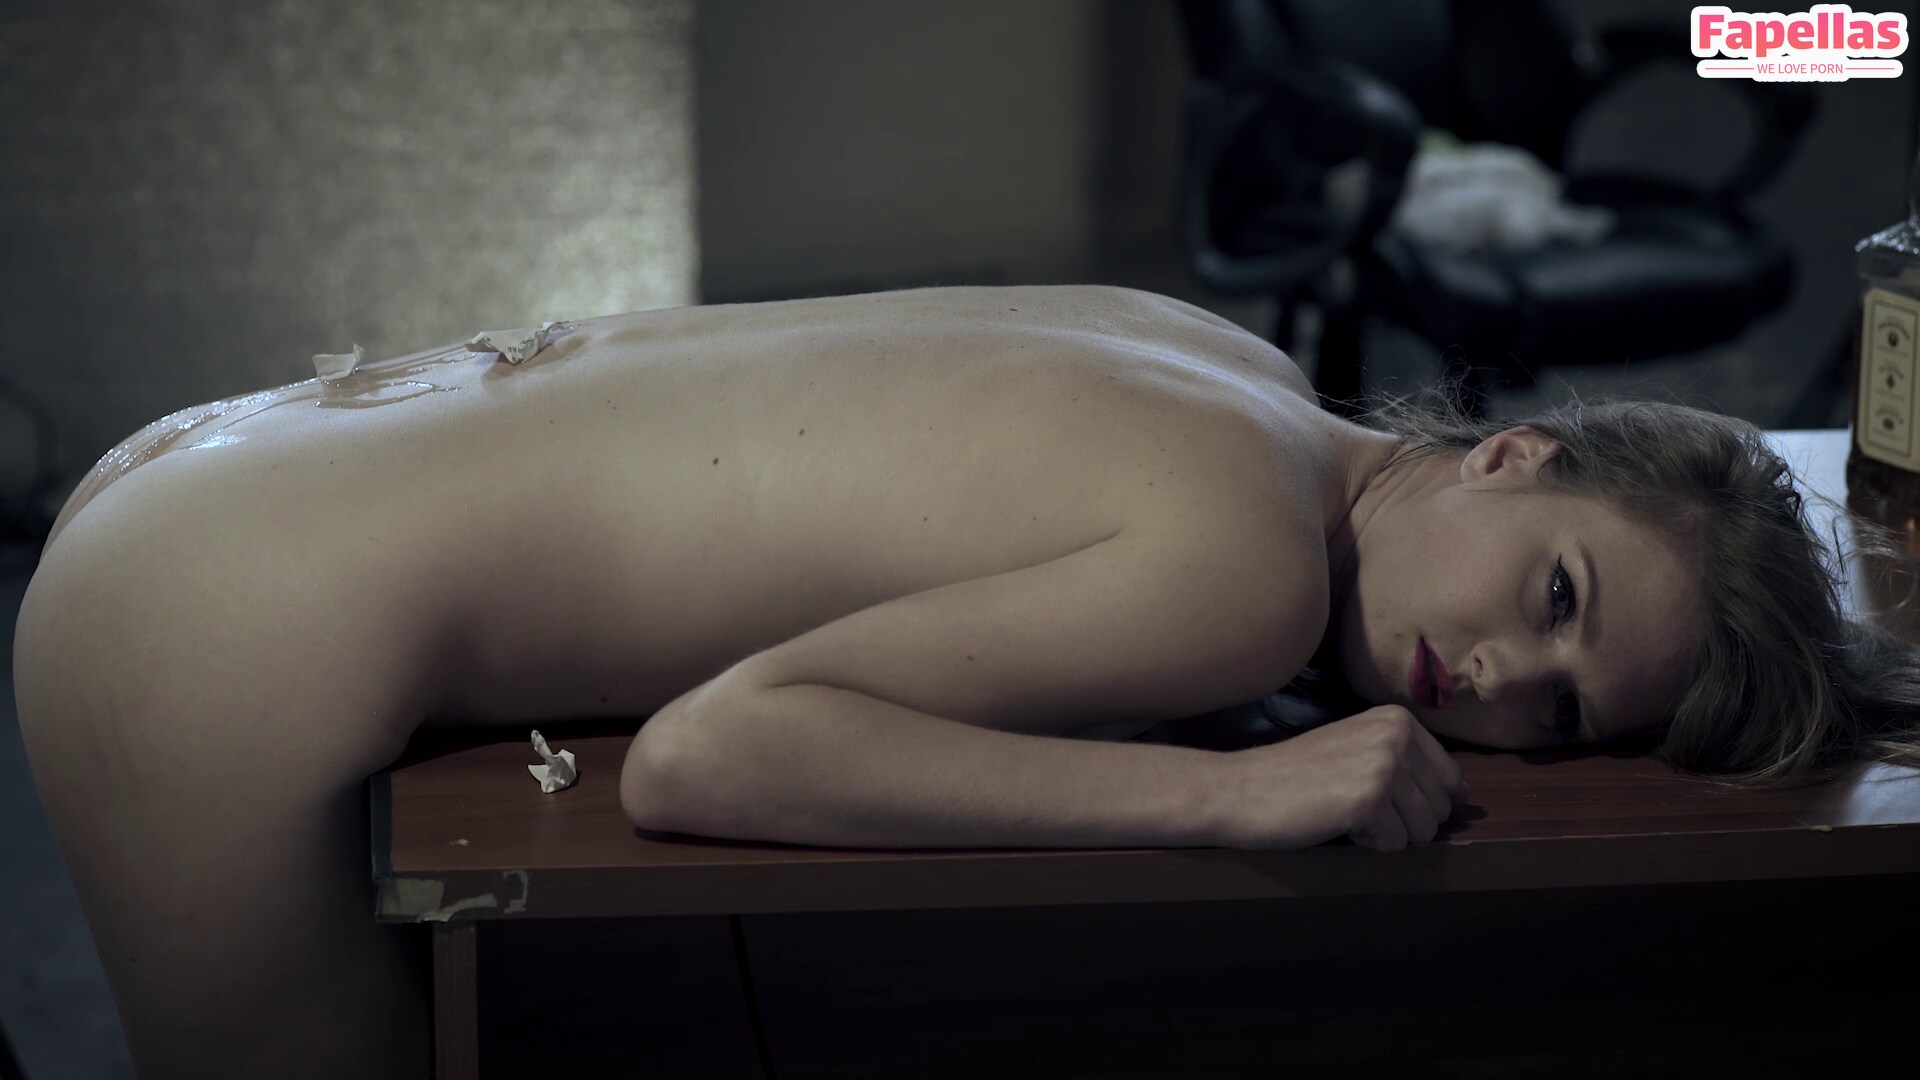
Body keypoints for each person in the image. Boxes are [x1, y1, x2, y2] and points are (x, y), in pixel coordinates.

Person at [13, 283, 1920, 1079]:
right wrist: (1234, 794)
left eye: (1562, 706)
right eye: (1558, 593)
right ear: (1514, 455)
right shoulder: (1250, 575)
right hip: (223, 613)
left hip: (230, 461)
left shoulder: (1232, 363)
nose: (1493, 674)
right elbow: (709, 757)